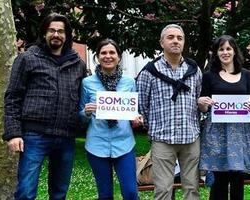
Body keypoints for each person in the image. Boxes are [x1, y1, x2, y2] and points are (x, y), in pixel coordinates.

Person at [2, 13, 87, 199]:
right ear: (44, 33)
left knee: (59, 193)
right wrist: (13, 133)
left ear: (67, 35)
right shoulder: (27, 59)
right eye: (51, 30)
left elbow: (82, 99)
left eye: (60, 31)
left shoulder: (78, 64)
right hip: (34, 135)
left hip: (66, 136)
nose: (56, 34)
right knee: (25, 192)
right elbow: (12, 97)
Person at [136, 24, 202, 200]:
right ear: (161, 42)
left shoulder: (194, 70)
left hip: (191, 139)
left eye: (179, 38)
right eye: (171, 37)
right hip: (163, 140)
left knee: (192, 189)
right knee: (163, 190)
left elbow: (199, 100)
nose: (175, 41)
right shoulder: (149, 72)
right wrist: (154, 129)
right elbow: (142, 106)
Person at [79, 39, 143, 200]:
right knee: (105, 194)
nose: (108, 56)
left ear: (119, 57)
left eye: (112, 52)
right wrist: (85, 112)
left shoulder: (129, 82)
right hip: (97, 144)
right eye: (103, 53)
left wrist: (137, 119)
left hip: (124, 144)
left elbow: (133, 112)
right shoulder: (87, 83)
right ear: (97, 57)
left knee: (130, 192)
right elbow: (79, 115)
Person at [198, 35, 250, 200]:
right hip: (216, 135)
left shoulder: (247, 75)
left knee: (237, 179)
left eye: (228, 48)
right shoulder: (208, 76)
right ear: (216, 53)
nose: (225, 52)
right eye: (221, 49)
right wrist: (202, 103)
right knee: (219, 181)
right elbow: (203, 108)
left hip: (240, 134)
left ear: (234, 51)